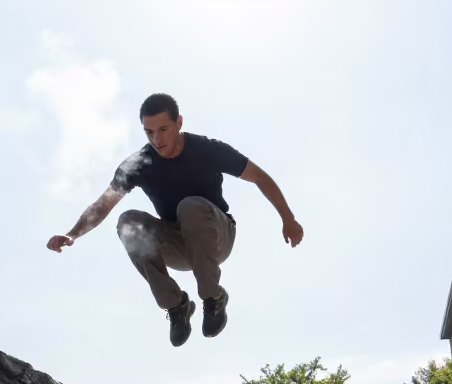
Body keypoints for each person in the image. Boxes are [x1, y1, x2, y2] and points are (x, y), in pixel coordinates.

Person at [46, 93, 303, 347]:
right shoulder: (138, 164)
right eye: (149, 132)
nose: (157, 139)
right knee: (128, 222)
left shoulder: (208, 149)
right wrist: (73, 234)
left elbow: (259, 176)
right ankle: (176, 306)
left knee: (189, 206)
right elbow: (103, 204)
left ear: (179, 123)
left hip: (217, 236)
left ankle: (213, 298)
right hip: (177, 244)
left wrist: (288, 219)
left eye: (163, 129)